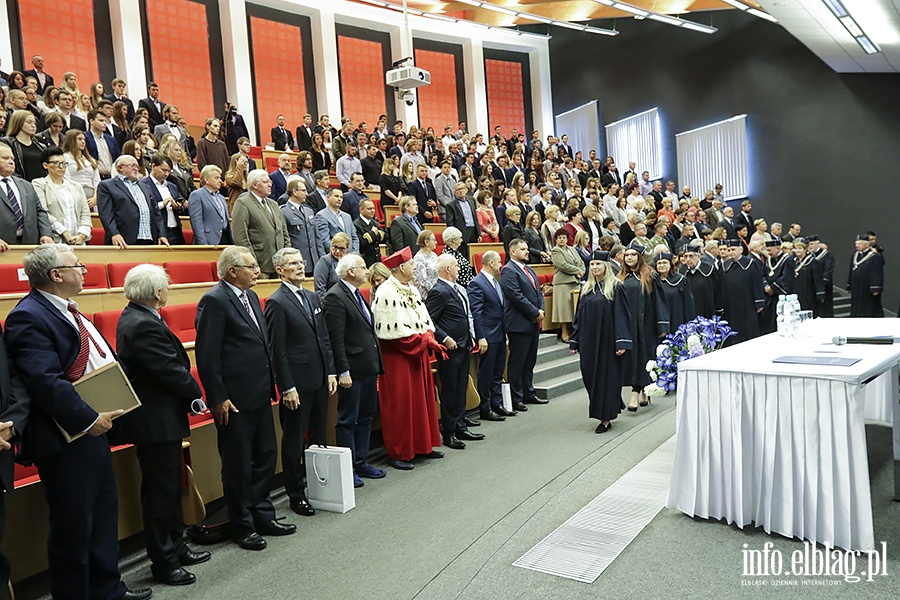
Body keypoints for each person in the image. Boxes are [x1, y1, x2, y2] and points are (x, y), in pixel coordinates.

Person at [4, 244, 151, 600]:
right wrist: (87, 419)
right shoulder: (29, 315)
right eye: (78, 266)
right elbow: (45, 381)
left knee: (101, 517)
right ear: (56, 275)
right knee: (74, 527)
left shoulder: (68, 309)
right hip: (66, 436)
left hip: (92, 428)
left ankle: (107, 590)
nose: (84, 271)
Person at [110, 265, 210, 586]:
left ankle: (176, 546)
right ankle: (164, 561)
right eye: (166, 287)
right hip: (155, 421)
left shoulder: (138, 317)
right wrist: (195, 392)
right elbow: (169, 369)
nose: (168, 291)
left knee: (168, 488)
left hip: (161, 417)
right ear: (157, 293)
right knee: (159, 493)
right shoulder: (141, 324)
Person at [195, 246, 297, 551]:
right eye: (251, 266)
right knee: (238, 465)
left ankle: (262, 513)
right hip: (234, 400)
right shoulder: (214, 300)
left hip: (259, 393)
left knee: (266, 455)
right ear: (232, 271)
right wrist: (218, 397)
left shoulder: (251, 297)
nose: (257, 271)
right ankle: (242, 524)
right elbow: (207, 355)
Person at [265, 248, 338, 506]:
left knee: (319, 434)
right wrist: (287, 386)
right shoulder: (276, 302)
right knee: (294, 440)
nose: (299, 266)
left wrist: (330, 371)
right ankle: (296, 494)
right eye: (293, 263)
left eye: (301, 262)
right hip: (296, 384)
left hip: (319, 377)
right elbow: (278, 350)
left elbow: (324, 338)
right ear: (280, 269)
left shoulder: (311, 297)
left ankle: (319, 486)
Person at [372, 247, 445, 470]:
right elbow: (393, 336)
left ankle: (423, 445)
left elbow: (423, 322)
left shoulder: (410, 288)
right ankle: (400, 452)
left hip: (416, 355)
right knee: (401, 405)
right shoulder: (386, 292)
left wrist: (428, 337)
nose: (415, 267)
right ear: (402, 267)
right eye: (412, 264)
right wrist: (425, 341)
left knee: (422, 401)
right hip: (398, 359)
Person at [324, 253, 386, 484]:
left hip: (367, 367)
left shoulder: (357, 294)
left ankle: (362, 462)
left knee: (366, 417)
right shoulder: (335, 297)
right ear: (351, 271)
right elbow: (335, 339)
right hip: (351, 371)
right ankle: (348, 469)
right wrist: (343, 371)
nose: (367, 271)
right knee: (348, 420)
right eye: (363, 267)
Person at [426, 254, 484, 450]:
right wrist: (444, 338)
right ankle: (449, 431)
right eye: (456, 266)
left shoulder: (456, 289)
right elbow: (429, 320)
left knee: (461, 387)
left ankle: (461, 425)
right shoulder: (438, 291)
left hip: (464, 344)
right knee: (450, 391)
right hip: (450, 349)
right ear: (448, 269)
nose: (459, 269)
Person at [570, 251, 632, 433]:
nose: (595, 267)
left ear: (606, 266)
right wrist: (575, 340)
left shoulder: (616, 287)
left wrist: (621, 342)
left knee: (606, 379)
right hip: (588, 341)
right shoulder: (586, 288)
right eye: (592, 264)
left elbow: (622, 316)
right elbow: (578, 316)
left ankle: (605, 418)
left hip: (607, 341)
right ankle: (610, 405)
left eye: (598, 264)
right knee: (590, 377)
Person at [618, 243, 669, 412]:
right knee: (633, 359)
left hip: (646, 325)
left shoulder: (650, 276)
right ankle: (644, 391)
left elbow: (659, 302)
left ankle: (634, 394)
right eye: (627, 255)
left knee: (643, 358)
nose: (629, 257)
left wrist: (662, 324)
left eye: (633, 254)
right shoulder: (621, 277)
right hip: (628, 325)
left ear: (640, 257)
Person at [501, 238, 546, 411]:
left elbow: (538, 293)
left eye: (527, 249)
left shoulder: (528, 269)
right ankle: (516, 397)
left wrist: (541, 310)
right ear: (513, 252)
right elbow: (515, 295)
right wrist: (535, 313)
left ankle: (529, 392)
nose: (527, 251)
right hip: (519, 324)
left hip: (533, 323)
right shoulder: (508, 271)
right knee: (518, 362)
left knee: (530, 361)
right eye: (523, 249)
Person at [467, 250, 513, 421]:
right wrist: (481, 337)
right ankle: (485, 408)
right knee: (486, 373)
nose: (501, 265)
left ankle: (497, 404)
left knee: (498, 371)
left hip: (500, 334)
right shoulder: (476, 283)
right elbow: (476, 312)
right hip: (488, 336)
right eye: (499, 262)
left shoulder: (495, 282)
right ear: (491, 263)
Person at [97, 154, 169, 248]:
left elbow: (156, 214)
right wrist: (114, 234)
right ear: (120, 168)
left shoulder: (146, 187)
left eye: (137, 166)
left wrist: (162, 234)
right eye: (132, 166)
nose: (136, 169)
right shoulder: (107, 186)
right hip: (123, 240)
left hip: (149, 239)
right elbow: (106, 214)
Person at [232, 169, 291, 279]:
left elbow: (284, 233)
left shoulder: (273, 204)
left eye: (270, 182)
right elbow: (241, 237)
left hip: (279, 265)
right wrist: (252, 263)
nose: (270, 185)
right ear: (254, 185)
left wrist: (286, 258)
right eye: (266, 182)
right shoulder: (243, 203)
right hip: (260, 264)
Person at [32, 147, 92, 244]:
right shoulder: (39, 184)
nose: (61, 166)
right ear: (45, 165)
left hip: (78, 240)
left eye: (64, 163)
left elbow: (85, 213)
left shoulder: (76, 186)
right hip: (54, 239)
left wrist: (81, 235)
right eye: (56, 163)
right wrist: (64, 233)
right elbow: (43, 212)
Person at [0, 141, 53, 250]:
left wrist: (46, 234)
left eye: (12, 159)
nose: (11, 162)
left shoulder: (26, 185)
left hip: (29, 244)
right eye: (5, 158)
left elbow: (40, 211)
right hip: (3, 246)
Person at [720, 240, 764, 344]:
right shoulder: (724, 266)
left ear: (741, 249)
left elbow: (757, 283)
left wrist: (759, 302)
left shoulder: (750, 264)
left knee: (749, 331)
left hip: (747, 303)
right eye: (729, 250)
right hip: (731, 305)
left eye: (733, 249)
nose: (731, 252)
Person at [140, 155, 185, 245]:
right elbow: (143, 208)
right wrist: (161, 204)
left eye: (169, 171)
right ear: (153, 166)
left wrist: (178, 207)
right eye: (164, 170)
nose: (166, 174)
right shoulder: (143, 185)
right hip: (157, 231)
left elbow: (181, 204)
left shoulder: (172, 186)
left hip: (175, 231)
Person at [551, 229, 585, 342]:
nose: (562, 239)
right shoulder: (556, 250)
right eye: (559, 237)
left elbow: (581, 262)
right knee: (563, 310)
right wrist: (577, 271)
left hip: (575, 282)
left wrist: (582, 270)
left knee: (574, 309)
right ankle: (564, 333)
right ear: (556, 239)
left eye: (564, 237)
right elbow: (562, 265)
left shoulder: (572, 249)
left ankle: (574, 333)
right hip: (563, 283)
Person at [282, 180, 322, 274]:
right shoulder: (284, 212)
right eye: (303, 191)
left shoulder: (308, 211)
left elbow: (317, 237)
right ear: (295, 192)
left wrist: (321, 257)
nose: (307, 194)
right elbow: (285, 239)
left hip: (314, 260)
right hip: (297, 261)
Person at [188, 164, 232, 245]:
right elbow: (197, 223)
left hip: (225, 239)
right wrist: (203, 244)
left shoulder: (221, 197)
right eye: (216, 178)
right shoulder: (197, 195)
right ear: (207, 180)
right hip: (209, 240)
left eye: (220, 178)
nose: (220, 181)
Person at [759, 239, 795, 333]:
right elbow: (763, 275)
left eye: (770, 250)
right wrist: (766, 286)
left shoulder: (787, 259)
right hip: (768, 297)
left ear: (778, 248)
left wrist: (773, 288)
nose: (768, 253)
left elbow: (787, 278)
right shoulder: (768, 260)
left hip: (781, 297)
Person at [1, 110, 47, 181]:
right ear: (18, 123)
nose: (33, 126)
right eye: (29, 122)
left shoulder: (41, 146)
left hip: (41, 185)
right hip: (22, 184)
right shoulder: (7, 143)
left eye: (34, 123)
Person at [681, 240, 722, 319]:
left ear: (699, 256)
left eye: (691, 256)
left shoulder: (709, 269)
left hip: (707, 309)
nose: (688, 259)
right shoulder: (682, 271)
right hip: (689, 311)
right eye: (685, 256)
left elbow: (717, 290)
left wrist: (719, 309)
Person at [654, 252, 695, 330]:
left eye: (665, 263)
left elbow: (688, 304)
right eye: (659, 263)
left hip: (677, 319)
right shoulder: (653, 282)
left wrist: (690, 325)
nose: (662, 265)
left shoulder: (681, 280)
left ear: (670, 264)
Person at [848, 234, 884, 317]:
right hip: (856, 287)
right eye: (856, 243)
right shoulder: (855, 255)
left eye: (859, 244)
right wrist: (849, 285)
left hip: (867, 288)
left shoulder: (874, 256)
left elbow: (877, 272)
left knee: (869, 307)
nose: (857, 245)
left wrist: (875, 287)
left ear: (866, 244)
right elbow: (851, 270)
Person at [62, 129, 100, 208]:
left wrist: (95, 198)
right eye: (79, 139)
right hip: (74, 195)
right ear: (71, 140)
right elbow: (66, 179)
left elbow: (97, 181)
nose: (83, 142)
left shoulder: (90, 160)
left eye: (84, 139)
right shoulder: (64, 158)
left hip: (92, 197)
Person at [316, 187, 359, 255]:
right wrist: (340, 251)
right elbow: (324, 240)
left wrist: (354, 253)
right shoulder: (321, 216)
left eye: (341, 197)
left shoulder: (347, 216)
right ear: (328, 197)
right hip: (334, 256)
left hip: (350, 257)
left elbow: (354, 237)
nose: (339, 199)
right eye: (336, 196)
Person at [314, 232, 349, 302]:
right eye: (335, 247)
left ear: (347, 248)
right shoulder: (325, 261)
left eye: (342, 248)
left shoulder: (349, 261)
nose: (337, 251)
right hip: (330, 302)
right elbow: (320, 290)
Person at [791, 239, 824, 313]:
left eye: (800, 248)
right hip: (796, 292)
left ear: (805, 249)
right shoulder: (793, 261)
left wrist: (820, 293)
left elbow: (818, 279)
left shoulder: (812, 262)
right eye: (796, 248)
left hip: (809, 292)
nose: (797, 250)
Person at [808, 235, 835, 317]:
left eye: (812, 244)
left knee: (825, 309)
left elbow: (828, 270)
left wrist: (821, 284)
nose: (810, 246)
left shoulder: (827, 255)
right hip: (811, 289)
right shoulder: (809, 256)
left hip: (824, 287)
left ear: (818, 244)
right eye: (808, 244)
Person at [354, 198, 385, 267]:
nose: (373, 211)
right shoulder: (356, 225)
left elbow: (385, 236)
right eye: (369, 209)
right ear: (361, 210)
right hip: (365, 262)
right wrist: (373, 233)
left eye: (373, 208)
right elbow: (360, 243)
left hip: (377, 261)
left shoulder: (374, 223)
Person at [412, 230, 439, 298]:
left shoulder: (434, 255)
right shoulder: (419, 258)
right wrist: (436, 292)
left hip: (438, 290)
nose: (436, 242)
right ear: (426, 242)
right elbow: (423, 281)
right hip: (427, 294)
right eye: (434, 240)